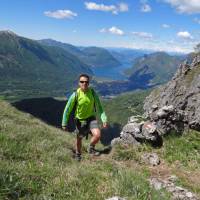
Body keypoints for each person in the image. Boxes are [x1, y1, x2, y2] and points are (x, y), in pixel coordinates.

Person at [62, 74, 108, 161]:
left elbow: (100, 107)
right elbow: (67, 110)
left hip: (91, 118)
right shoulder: (75, 95)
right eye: (82, 81)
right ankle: (78, 154)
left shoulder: (93, 93)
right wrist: (64, 123)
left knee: (97, 135)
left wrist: (104, 119)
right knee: (79, 139)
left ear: (89, 83)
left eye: (86, 82)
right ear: (78, 83)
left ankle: (90, 148)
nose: (84, 83)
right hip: (80, 121)